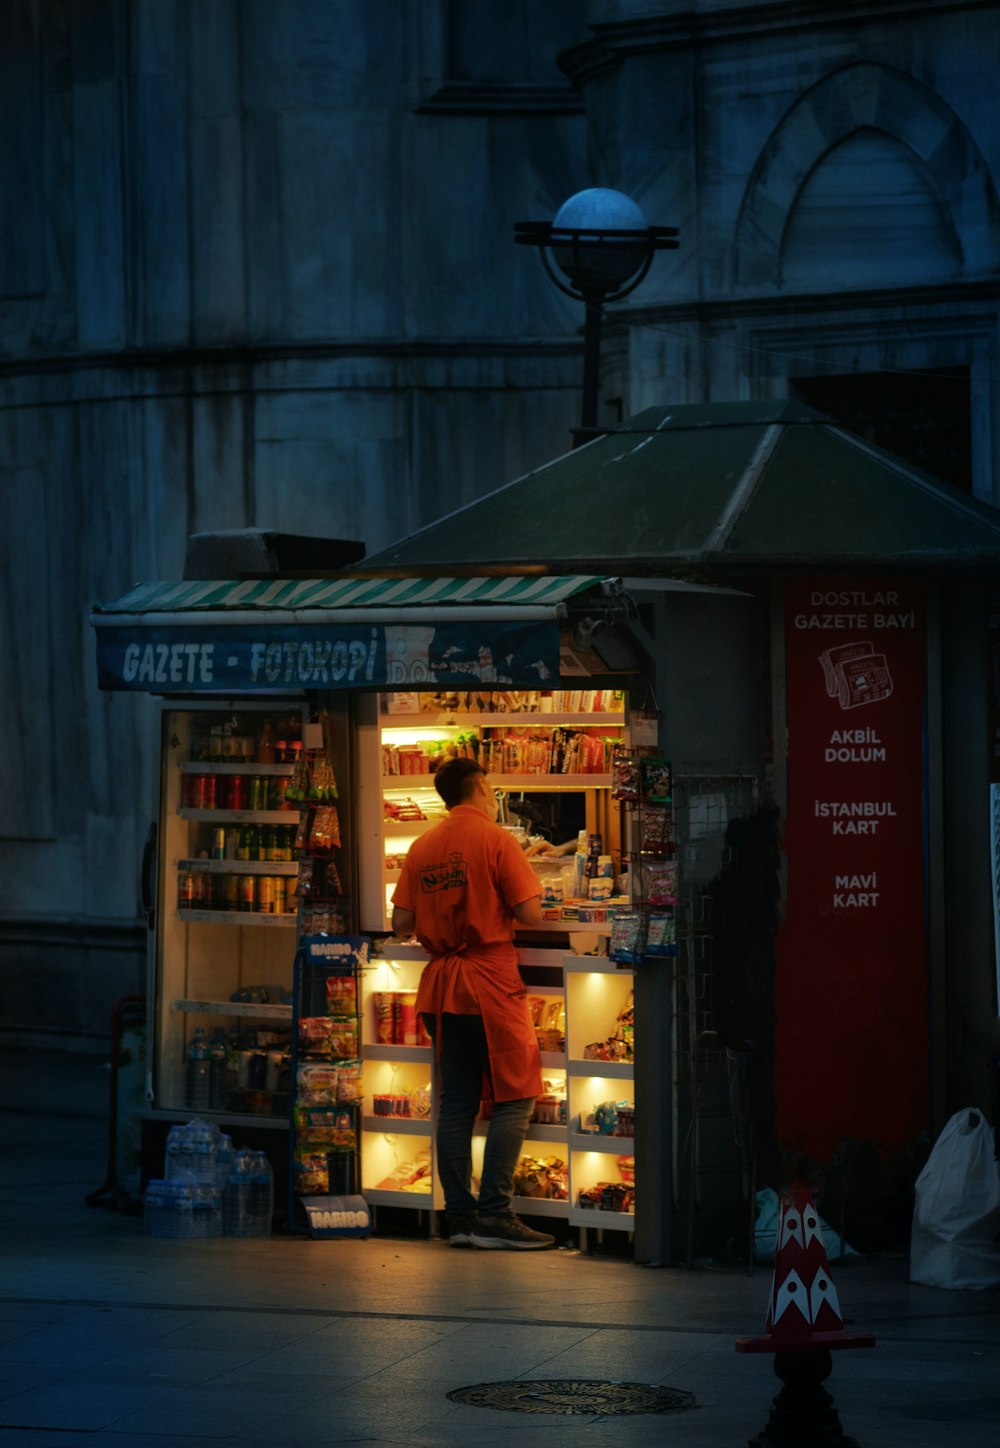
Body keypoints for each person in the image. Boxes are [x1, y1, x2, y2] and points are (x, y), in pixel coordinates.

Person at [391, 757, 556, 1251]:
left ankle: (458, 1219)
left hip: (442, 988)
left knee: (457, 1102)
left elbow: (401, 922)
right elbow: (531, 914)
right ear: (481, 786)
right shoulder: (496, 840)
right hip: (488, 981)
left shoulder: (423, 846)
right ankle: (496, 1215)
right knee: (515, 1096)